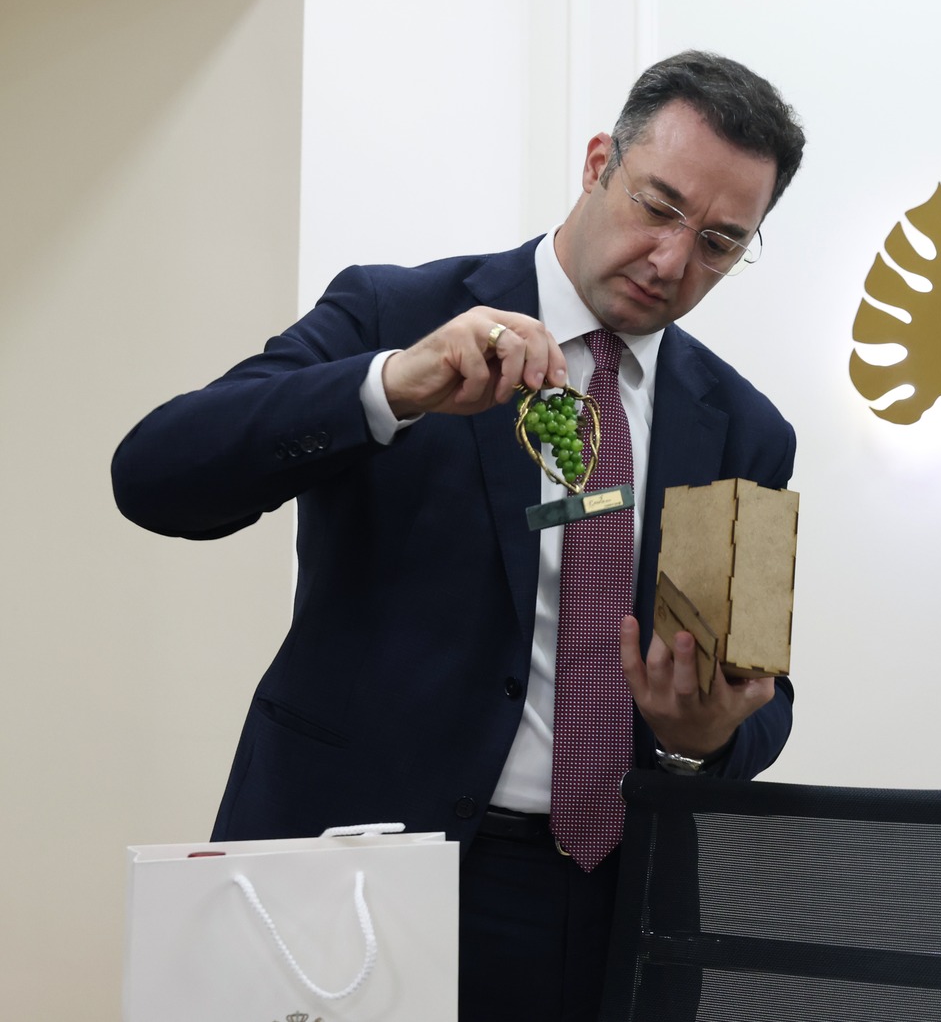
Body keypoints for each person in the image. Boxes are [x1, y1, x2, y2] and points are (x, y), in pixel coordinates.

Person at [111, 51, 805, 1021]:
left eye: (719, 242)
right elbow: (154, 474)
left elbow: (761, 691)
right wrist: (387, 386)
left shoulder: (744, 429)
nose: (669, 260)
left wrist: (703, 741)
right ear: (597, 162)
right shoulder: (396, 316)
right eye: (657, 206)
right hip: (363, 876)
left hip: (616, 903)